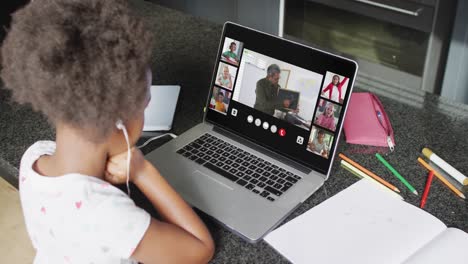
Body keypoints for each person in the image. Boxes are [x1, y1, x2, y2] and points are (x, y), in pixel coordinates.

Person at [0, 1, 214, 263]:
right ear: (120, 121)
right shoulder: (106, 213)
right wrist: (142, 170)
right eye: (145, 105)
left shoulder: (34, 156)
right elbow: (200, 249)